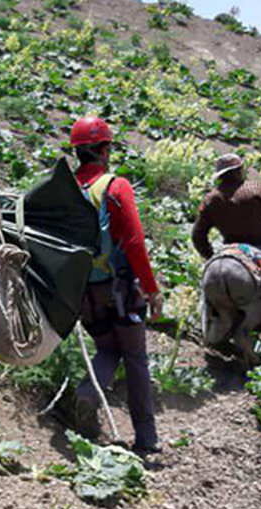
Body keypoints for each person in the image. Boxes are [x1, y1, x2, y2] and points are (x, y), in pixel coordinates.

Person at [68, 117, 163, 454]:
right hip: (119, 291)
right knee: (135, 357)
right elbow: (135, 242)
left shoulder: (64, 188)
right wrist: (151, 289)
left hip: (82, 294)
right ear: (105, 149)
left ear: (76, 151)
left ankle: (86, 394)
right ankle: (147, 437)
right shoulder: (115, 186)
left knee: (108, 349)